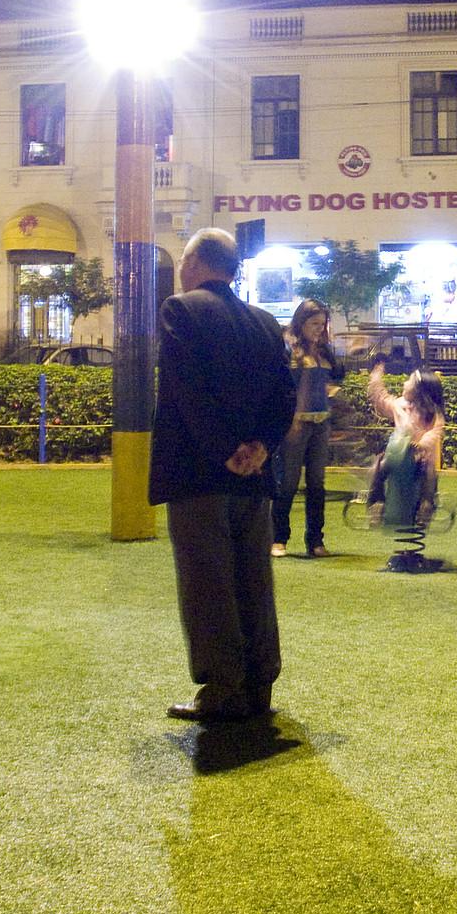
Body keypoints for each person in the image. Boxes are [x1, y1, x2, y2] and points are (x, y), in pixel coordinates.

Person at [150, 228, 297, 723]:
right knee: (254, 577)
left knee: (207, 582)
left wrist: (224, 452)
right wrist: (259, 448)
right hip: (254, 479)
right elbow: (284, 397)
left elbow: (185, 392)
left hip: (199, 476)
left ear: (193, 262)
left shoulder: (180, 310)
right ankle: (260, 682)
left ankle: (223, 688)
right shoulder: (264, 322)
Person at [272, 299, 345, 559]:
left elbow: (339, 374)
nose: (319, 329)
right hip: (296, 422)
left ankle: (315, 541)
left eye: (322, 324)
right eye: (314, 324)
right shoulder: (290, 349)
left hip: (320, 423)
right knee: (288, 481)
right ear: (301, 323)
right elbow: (282, 385)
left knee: (317, 483)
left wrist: (332, 344)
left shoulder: (323, 351)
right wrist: (287, 420)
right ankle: (279, 538)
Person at [363, 361, 444, 529]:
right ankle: (376, 502)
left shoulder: (430, 413)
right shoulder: (399, 405)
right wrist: (376, 377)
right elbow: (380, 398)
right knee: (379, 465)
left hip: (418, 457)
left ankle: (426, 505)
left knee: (429, 471)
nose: (404, 384)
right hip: (397, 454)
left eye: (409, 382)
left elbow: (435, 432)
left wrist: (421, 444)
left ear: (419, 392)